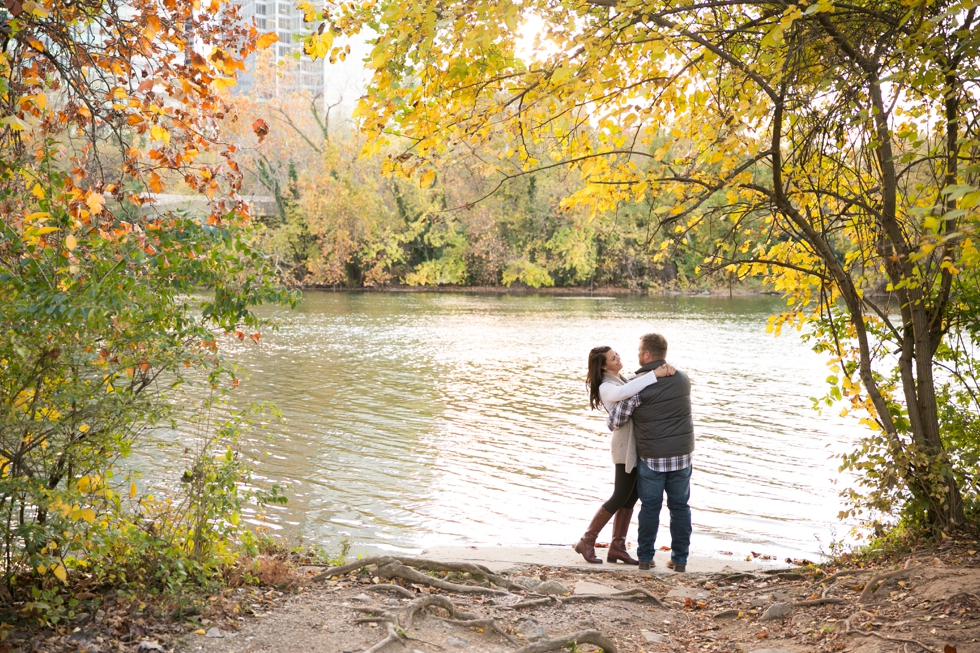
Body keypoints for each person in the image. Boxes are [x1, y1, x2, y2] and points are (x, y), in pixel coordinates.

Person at [575, 346, 676, 564]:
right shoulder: (606, 386)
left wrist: (660, 369)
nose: (618, 358)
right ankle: (587, 540)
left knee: (631, 496)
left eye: (617, 354)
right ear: (603, 365)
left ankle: (617, 547)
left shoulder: (620, 378)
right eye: (613, 358)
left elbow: (634, 382)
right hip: (624, 446)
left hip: (634, 444)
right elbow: (625, 393)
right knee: (620, 495)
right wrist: (654, 374)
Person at [607, 333, 694, 572]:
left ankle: (645, 558)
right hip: (682, 455)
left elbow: (614, 421)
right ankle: (680, 560)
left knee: (650, 508)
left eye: (638, 351)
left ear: (646, 355)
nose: (637, 355)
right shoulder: (683, 378)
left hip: (653, 457)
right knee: (680, 507)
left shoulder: (638, 385)